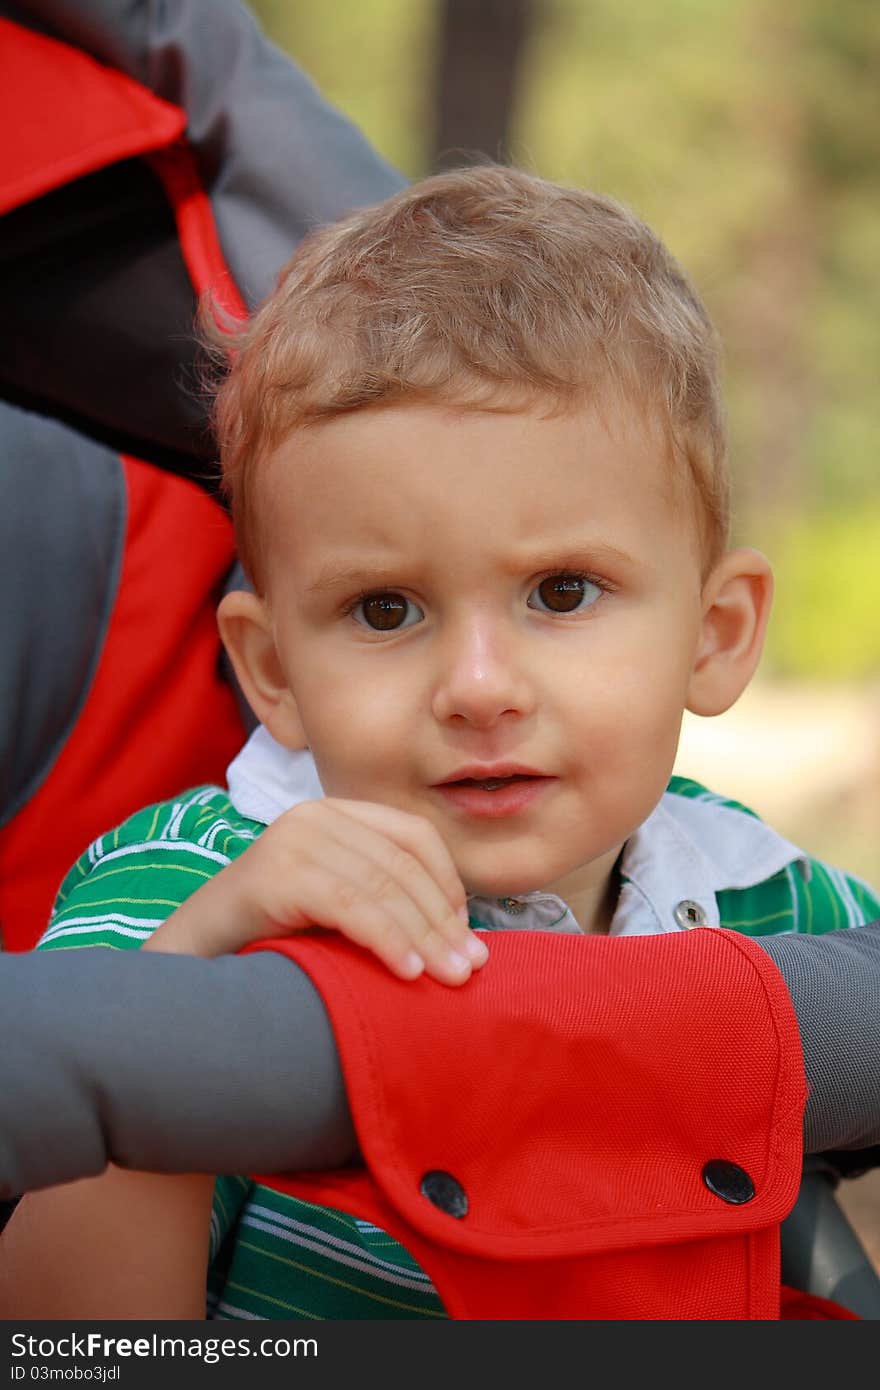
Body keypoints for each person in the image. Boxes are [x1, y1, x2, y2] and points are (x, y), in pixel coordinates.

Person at [4, 167, 880, 1320]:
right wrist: (185, 995)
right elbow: (68, 1340)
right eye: (384, 609)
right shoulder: (182, 895)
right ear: (273, 671)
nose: (477, 689)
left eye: (562, 592)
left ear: (713, 637)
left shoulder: (774, 903)